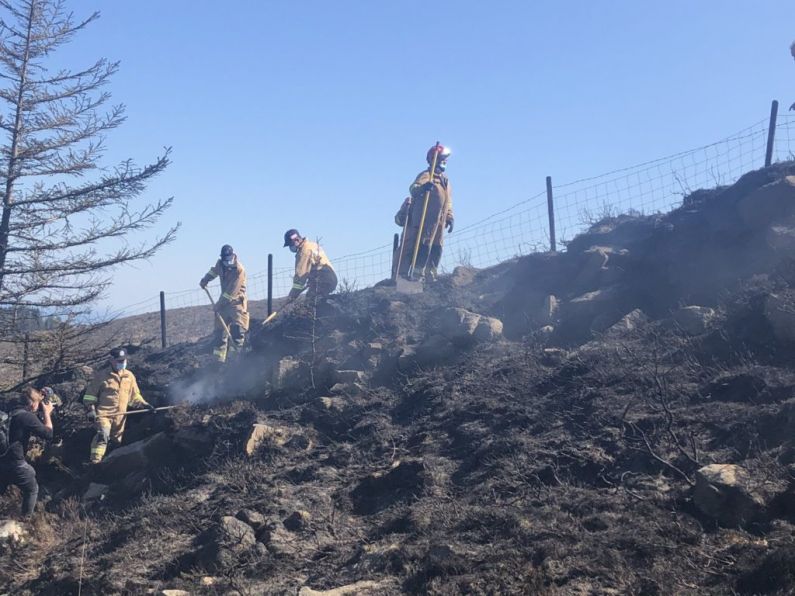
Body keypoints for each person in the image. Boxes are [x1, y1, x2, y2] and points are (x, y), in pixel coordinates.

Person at [82, 348, 154, 464]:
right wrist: (91, 410)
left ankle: (109, 464)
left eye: (124, 360)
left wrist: (145, 405)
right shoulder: (102, 376)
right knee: (103, 435)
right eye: (119, 361)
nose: (122, 363)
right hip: (104, 414)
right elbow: (90, 396)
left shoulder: (129, 376)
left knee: (116, 442)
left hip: (120, 416)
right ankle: (95, 462)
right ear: (111, 360)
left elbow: (135, 396)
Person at [396, 144, 454, 281]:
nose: (444, 162)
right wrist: (423, 188)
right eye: (442, 159)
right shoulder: (426, 175)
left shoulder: (445, 181)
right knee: (423, 246)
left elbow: (448, 201)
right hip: (425, 219)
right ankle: (417, 275)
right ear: (434, 159)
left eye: (445, 159)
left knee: (437, 247)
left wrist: (450, 217)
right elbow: (414, 188)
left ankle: (431, 274)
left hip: (439, 221)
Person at [0, 387, 53, 517]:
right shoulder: (26, 416)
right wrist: (47, 413)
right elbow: (48, 434)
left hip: (2, 461)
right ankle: (26, 520)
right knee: (32, 489)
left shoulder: (10, 414)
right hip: (16, 463)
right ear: (32, 403)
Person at [199, 244, 250, 362]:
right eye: (224, 259)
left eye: (228, 259)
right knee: (219, 332)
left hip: (236, 303)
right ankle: (218, 360)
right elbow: (214, 271)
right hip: (223, 303)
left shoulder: (239, 270)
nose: (226, 262)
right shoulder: (221, 264)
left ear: (233, 256)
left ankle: (234, 361)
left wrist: (218, 304)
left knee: (237, 331)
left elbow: (230, 293)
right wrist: (205, 279)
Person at [283, 229, 338, 304]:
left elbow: (300, 279)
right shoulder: (312, 245)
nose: (290, 247)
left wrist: (291, 297)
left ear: (297, 240)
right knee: (318, 301)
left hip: (322, 281)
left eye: (291, 244)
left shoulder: (304, 252)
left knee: (310, 303)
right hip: (331, 279)